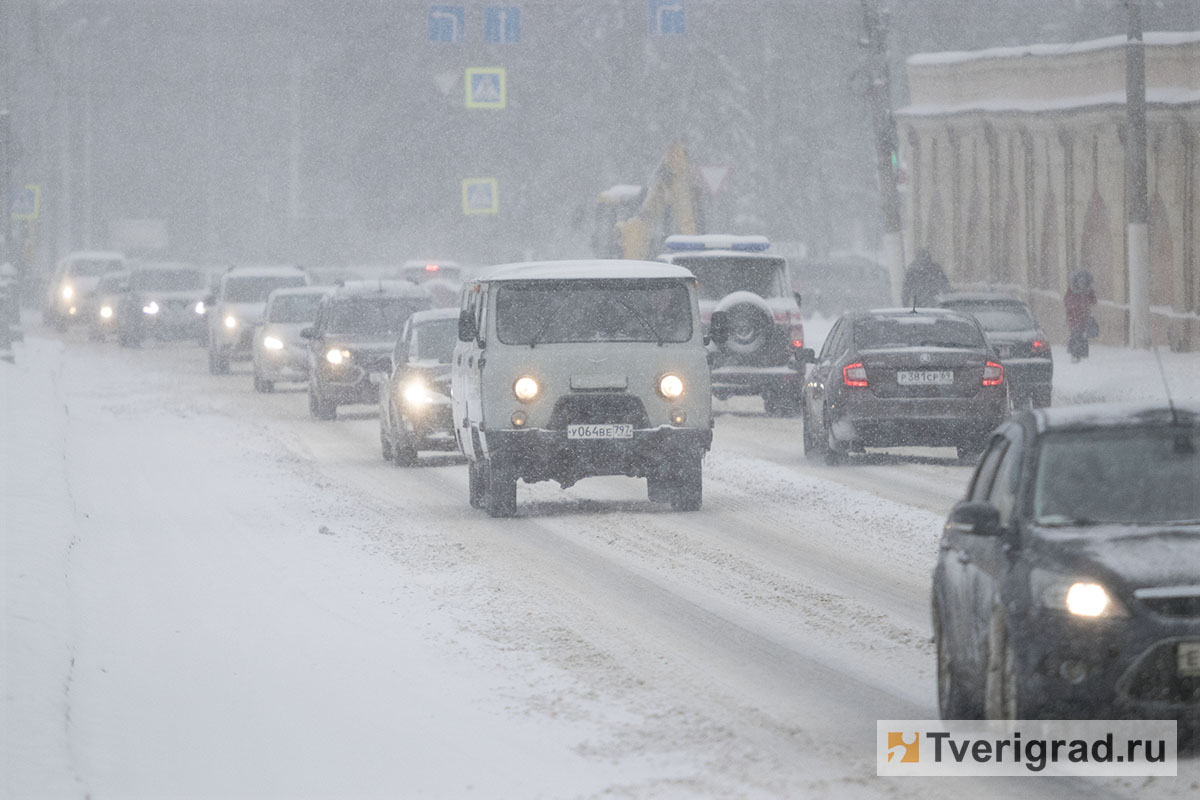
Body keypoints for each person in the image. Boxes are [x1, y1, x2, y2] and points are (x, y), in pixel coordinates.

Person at [1064, 269, 1097, 362]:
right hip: (1073, 317)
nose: (1081, 284)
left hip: (1084, 317)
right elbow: (1067, 302)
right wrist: (1077, 305)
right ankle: (1075, 354)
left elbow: (1094, 301)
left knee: (1083, 336)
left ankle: (1081, 353)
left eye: (1083, 282)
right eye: (1080, 281)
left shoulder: (1088, 291)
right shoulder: (1072, 290)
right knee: (1075, 335)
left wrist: (1087, 301)